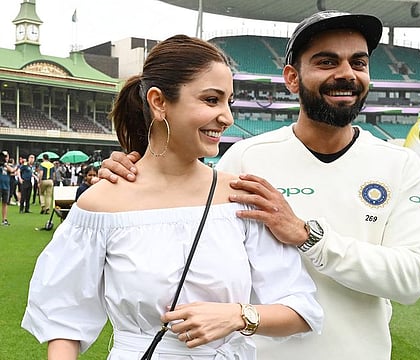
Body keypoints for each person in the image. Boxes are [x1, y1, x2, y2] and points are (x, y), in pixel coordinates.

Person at [99, 11, 420, 360]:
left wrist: (309, 236)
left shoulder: (400, 164)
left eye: (359, 63)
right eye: (326, 61)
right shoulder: (247, 158)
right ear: (291, 78)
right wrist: (131, 176)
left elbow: (411, 280)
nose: (346, 74)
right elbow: (178, 231)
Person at [22, 35, 323, 360]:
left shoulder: (240, 197)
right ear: (159, 101)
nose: (227, 117)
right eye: (211, 100)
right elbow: (65, 321)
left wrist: (238, 315)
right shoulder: (100, 205)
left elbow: (300, 308)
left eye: (229, 102)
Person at [1, 150, 16, 225]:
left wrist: (5, 164)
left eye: (6, 156)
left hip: (6, 186)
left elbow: (13, 170)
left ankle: (4, 219)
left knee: (5, 203)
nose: (5, 158)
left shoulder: (8, 165)